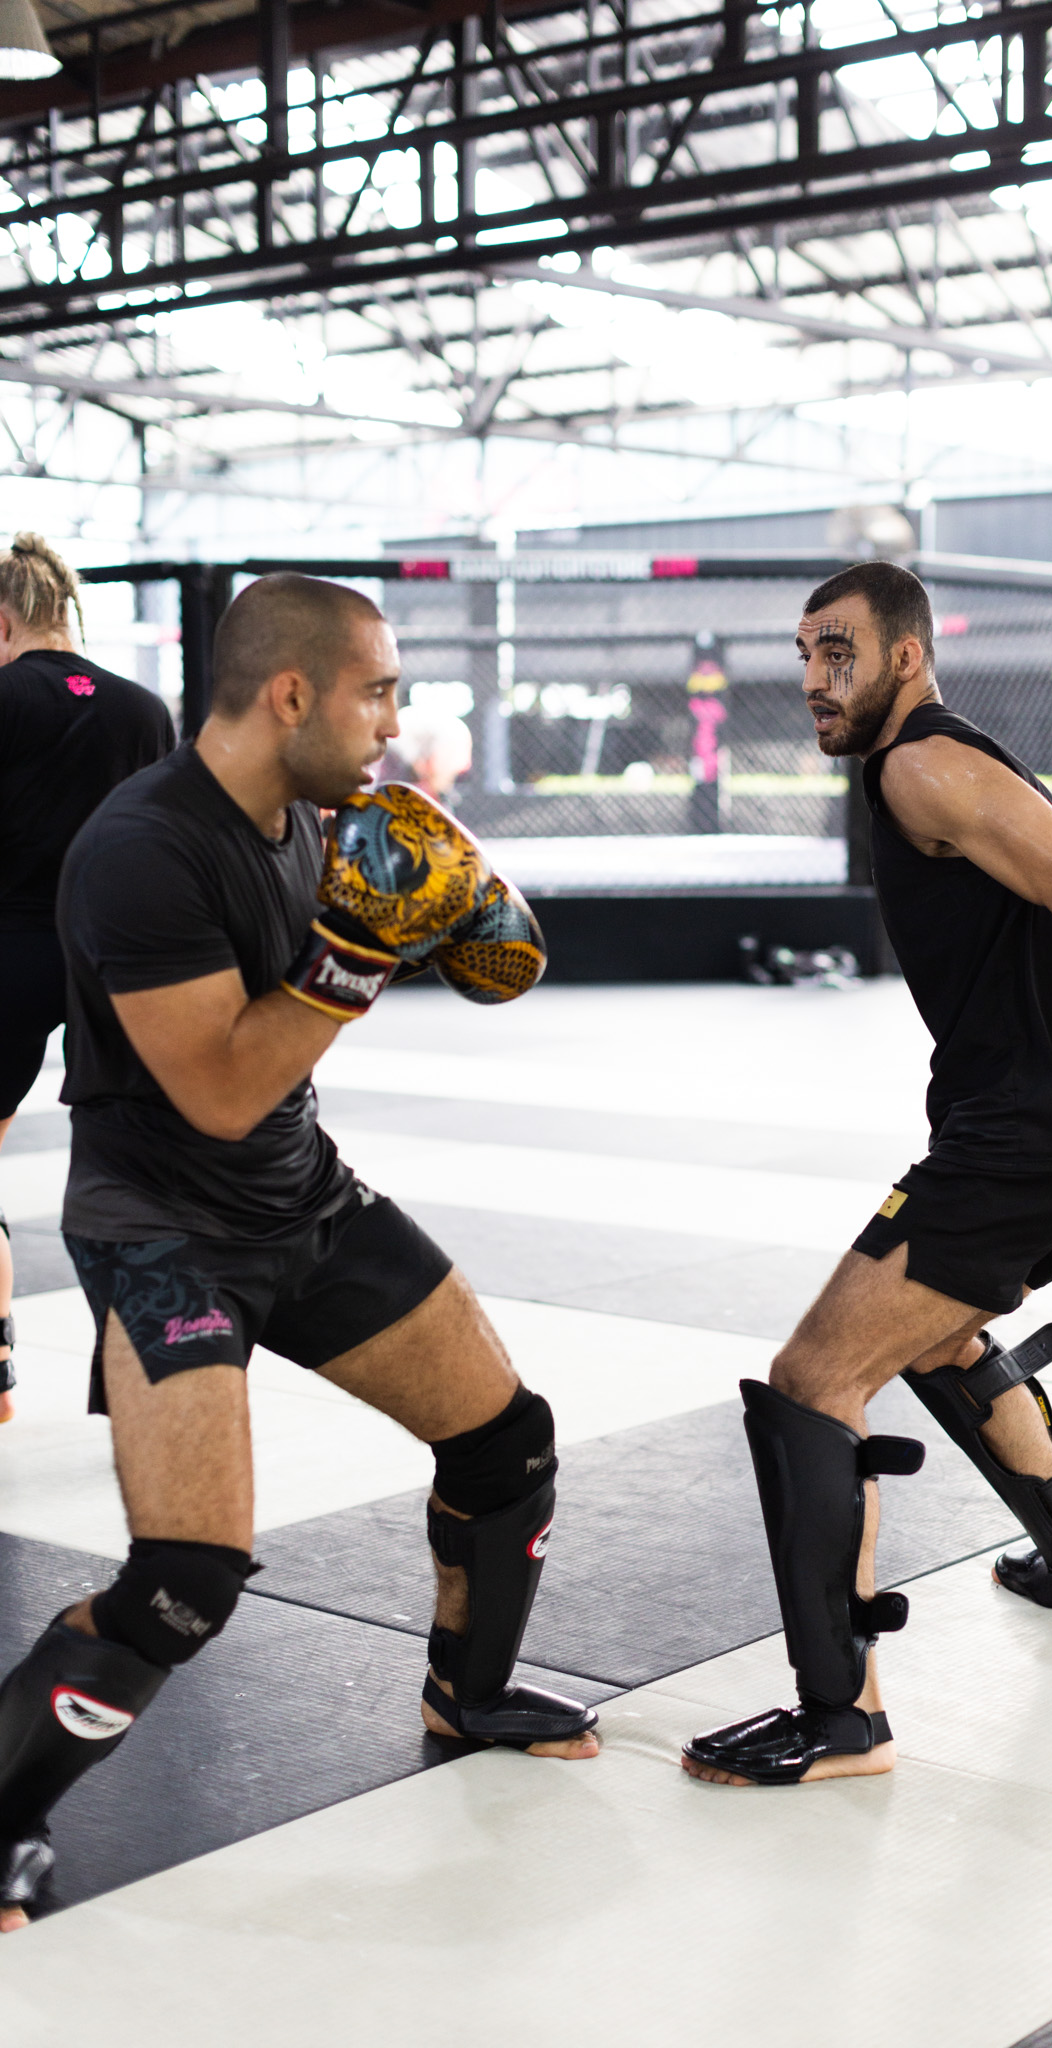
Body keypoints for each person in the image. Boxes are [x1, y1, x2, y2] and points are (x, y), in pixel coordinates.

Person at [0, 572, 597, 1930]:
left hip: (302, 1201)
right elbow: (218, 1089)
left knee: (507, 1443)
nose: (393, 721)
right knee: (184, 1578)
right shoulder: (139, 847)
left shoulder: (319, 821)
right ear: (290, 694)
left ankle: (469, 1693)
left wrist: (462, 918)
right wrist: (357, 950)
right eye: (376, 692)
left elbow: (490, 959)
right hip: (163, 1234)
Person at [681, 560, 1052, 1788]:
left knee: (814, 1379)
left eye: (839, 651)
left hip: (1022, 1143)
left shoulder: (919, 764)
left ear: (905, 655)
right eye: (804, 652)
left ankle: (842, 1719)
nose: (814, 677)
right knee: (938, 1333)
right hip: (1037, 1133)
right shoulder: (961, 758)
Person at [0, 534, 174, 1425]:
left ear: (3, 621)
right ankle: (147, 1378)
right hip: (114, 961)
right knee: (128, 1173)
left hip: (9, 952)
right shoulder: (145, 711)